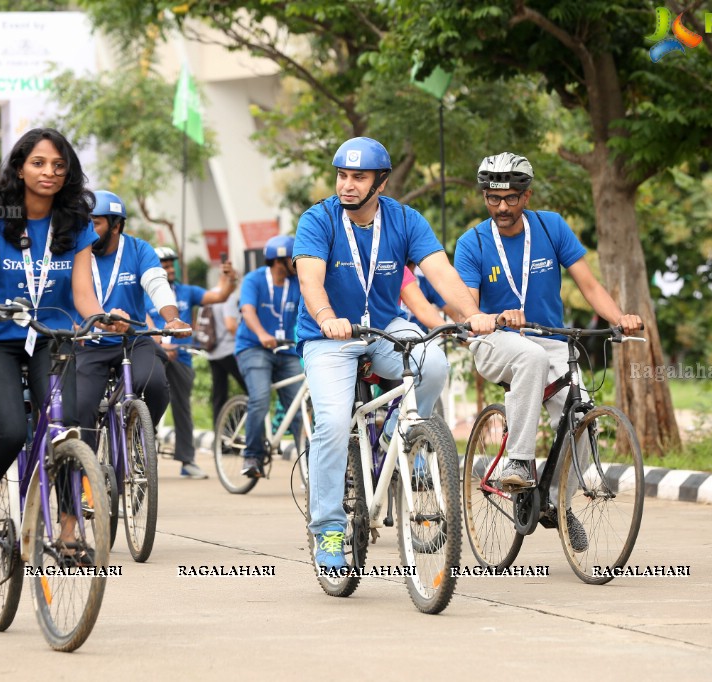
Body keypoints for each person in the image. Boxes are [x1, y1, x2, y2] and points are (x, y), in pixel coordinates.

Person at [293, 136, 495, 569]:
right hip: (328, 337)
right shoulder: (317, 220)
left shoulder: (405, 221)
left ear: (380, 182)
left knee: (434, 363)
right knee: (330, 421)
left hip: (384, 328)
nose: (347, 185)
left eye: (358, 177)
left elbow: (439, 272)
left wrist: (473, 315)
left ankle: (392, 437)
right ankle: (328, 529)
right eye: (342, 175)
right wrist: (328, 316)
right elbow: (311, 281)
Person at [453, 152, 642, 547]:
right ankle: (518, 460)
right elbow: (466, 304)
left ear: (527, 195)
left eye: (511, 198)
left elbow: (589, 286)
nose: (501, 207)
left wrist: (620, 317)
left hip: (549, 338)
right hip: (494, 341)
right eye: (492, 198)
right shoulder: (472, 242)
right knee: (530, 357)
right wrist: (484, 318)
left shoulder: (551, 227)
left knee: (585, 419)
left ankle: (555, 503)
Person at [0, 127, 122, 568]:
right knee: (10, 430)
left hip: (53, 336)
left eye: (59, 165)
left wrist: (103, 316)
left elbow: (84, 292)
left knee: (67, 426)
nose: (49, 172)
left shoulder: (78, 222)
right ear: (19, 168)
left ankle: (68, 529)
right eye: (39, 163)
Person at [74, 191, 186, 455]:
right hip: (89, 343)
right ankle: (88, 475)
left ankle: (139, 433)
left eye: (96, 222)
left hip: (133, 340)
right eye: (85, 221)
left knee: (156, 385)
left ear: (116, 225)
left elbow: (157, 284)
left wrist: (173, 319)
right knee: (81, 407)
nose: (87, 228)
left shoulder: (138, 250)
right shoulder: (76, 251)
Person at [147, 247, 237, 479]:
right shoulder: (142, 292)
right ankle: (142, 458)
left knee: (183, 408)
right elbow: (141, 320)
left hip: (182, 357)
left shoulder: (186, 291)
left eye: (171, 265)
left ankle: (187, 461)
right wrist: (161, 346)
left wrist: (229, 278)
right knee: (146, 405)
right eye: (164, 265)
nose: (169, 269)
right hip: (152, 354)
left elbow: (219, 296)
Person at [236, 235, 302, 478]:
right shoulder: (254, 280)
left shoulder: (296, 283)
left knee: (299, 406)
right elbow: (248, 310)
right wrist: (262, 333)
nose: (297, 263)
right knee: (261, 398)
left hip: (286, 349)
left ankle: (311, 463)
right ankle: (251, 456)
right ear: (278, 260)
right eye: (292, 259)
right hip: (254, 348)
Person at [205, 289, 245, 430]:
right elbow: (231, 325)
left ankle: (220, 438)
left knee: (219, 397)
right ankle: (231, 429)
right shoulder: (229, 297)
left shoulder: (211, 294)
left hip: (212, 351)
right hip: (228, 351)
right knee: (255, 392)